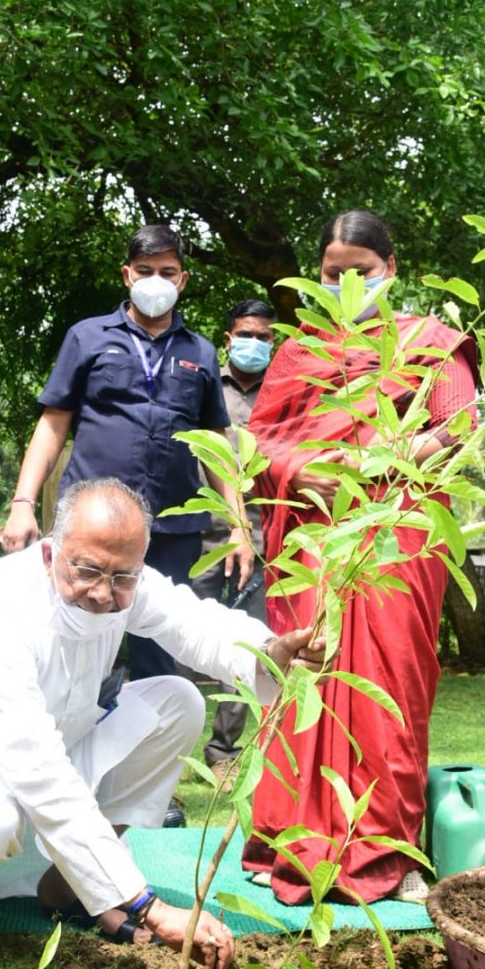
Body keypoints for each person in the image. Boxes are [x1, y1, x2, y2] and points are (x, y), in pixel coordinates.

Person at [0, 478, 322, 964]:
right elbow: (38, 769)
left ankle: (69, 887)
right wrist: (148, 906)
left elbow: (194, 623)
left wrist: (269, 654)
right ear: (52, 552)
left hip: (46, 745)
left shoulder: (122, 582)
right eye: (88, 571)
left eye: (122, 578)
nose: (102, 594)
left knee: (178, 703)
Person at [241, 209, 478, 906]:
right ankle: (289, 836)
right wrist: (298, 472)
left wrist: (382, 460)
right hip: (313, 546)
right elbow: (258, 446)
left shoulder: (430, 342)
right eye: (332, 275)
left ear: (391, 271)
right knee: (303, 680)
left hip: (393, 545)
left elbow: (457, 429)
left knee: (390, 693)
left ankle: (386, 850)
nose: (347, 287)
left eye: (362, 274)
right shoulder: (298, 353)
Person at [2, 224, 253, 682]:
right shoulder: (87, 337)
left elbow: (216, 445)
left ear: (183, 279)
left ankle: (146, 747)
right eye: (145, 270)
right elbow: (53, 424)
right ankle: (60, 741)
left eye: (167, 271)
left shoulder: (200, 351)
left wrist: (238, 525)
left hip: (173, 526)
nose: (155, 280)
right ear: (126, 275)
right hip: (90, 525)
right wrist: (22, 503)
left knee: (159, 652)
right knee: (71, 635)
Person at [188, 299, 276, 781]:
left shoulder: (281, 391)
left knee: (250, 645)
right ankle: (168, 743)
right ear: (227, 338)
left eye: (264, 337)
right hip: (200, 531)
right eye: (246, 334)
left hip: (260, 536)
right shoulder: (203, 382)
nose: (254, 344)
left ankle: (223, 750)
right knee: (182, 636)